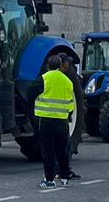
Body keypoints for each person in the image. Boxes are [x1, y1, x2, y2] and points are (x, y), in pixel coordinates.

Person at [33, 55, 77, 187]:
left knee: (48, 152)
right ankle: (64, 178)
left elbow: (30, 92)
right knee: (62, 151)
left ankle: (49, 179)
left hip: (46, 121)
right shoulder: (67, 81)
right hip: (62, 122)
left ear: (48, 65)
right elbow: (71, 104)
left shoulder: (44, 79)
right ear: (60, 66)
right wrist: (66, 115)